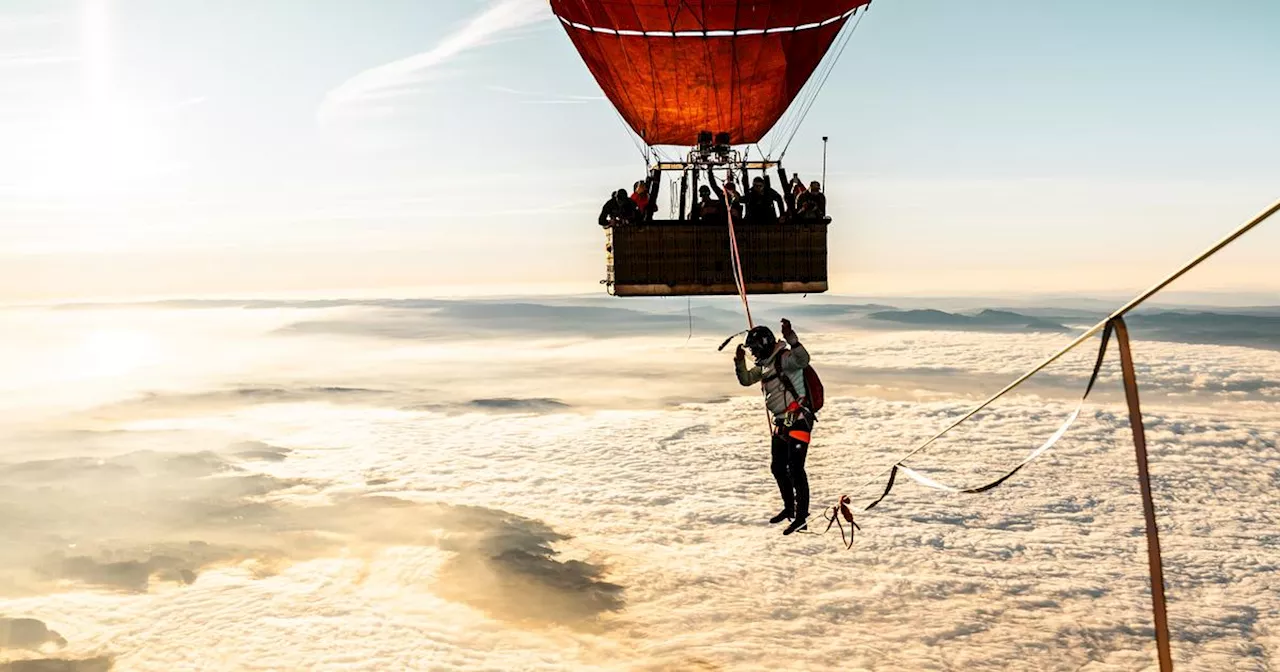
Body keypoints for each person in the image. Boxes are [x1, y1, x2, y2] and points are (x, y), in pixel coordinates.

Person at [734, 318, 814, 535]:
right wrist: (739, 362)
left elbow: (803, 360)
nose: (754, 353)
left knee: (795, 468)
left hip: (796, 418)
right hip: (783, 420)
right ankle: (790, 507)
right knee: (778, 467)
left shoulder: (785, 358)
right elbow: (746, 380)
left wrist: (791, 338)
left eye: (754, 348)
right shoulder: (766, 364)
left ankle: (801, 516)